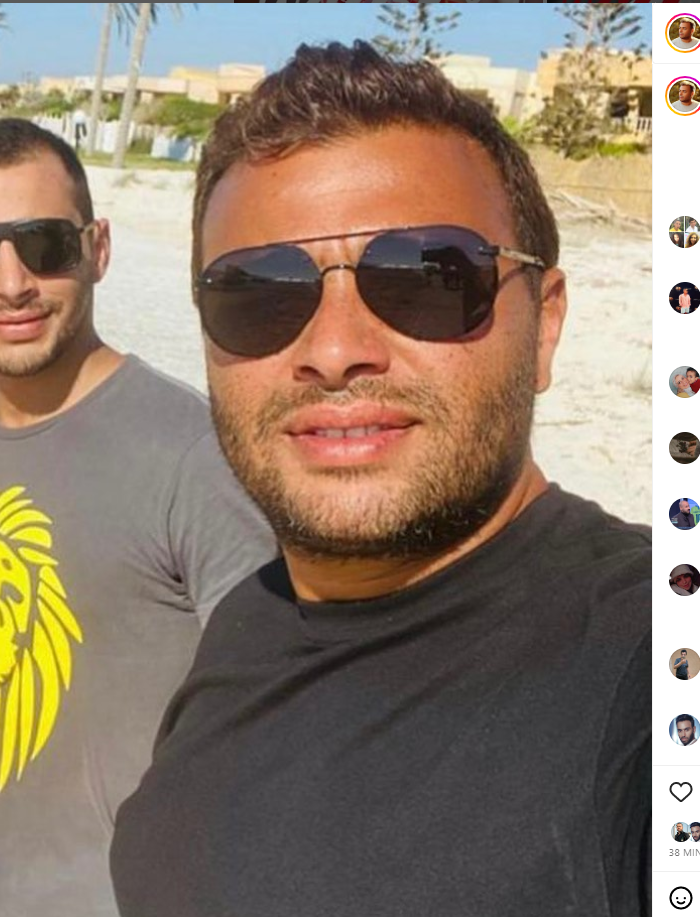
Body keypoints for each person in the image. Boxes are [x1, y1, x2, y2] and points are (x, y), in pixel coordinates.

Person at [109, 42, 651, 917]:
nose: (333, 351)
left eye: (427, 278)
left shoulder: (658, 665)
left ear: (543, 325)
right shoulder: (250, 616)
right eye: (257, 292)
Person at [0, 118, 278, 917]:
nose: (9, 283)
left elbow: (279, 727)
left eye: (43, 244)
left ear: (98, 248)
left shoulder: (196, 455)